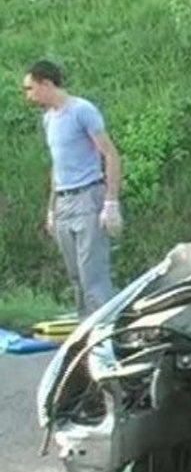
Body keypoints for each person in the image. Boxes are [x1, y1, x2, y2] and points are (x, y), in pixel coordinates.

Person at [23, 60, 123, 319]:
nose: (29, 96)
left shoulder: (82, 110)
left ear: (46, 83)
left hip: (88, 195)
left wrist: (111, 202)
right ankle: (84, 339)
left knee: (93, 277)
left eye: (31, 88)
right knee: (76, 276)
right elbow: (58, 165)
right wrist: (51, 208)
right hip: (65, 200)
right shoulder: (49, 120)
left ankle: (104, 338)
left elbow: (110, 154)